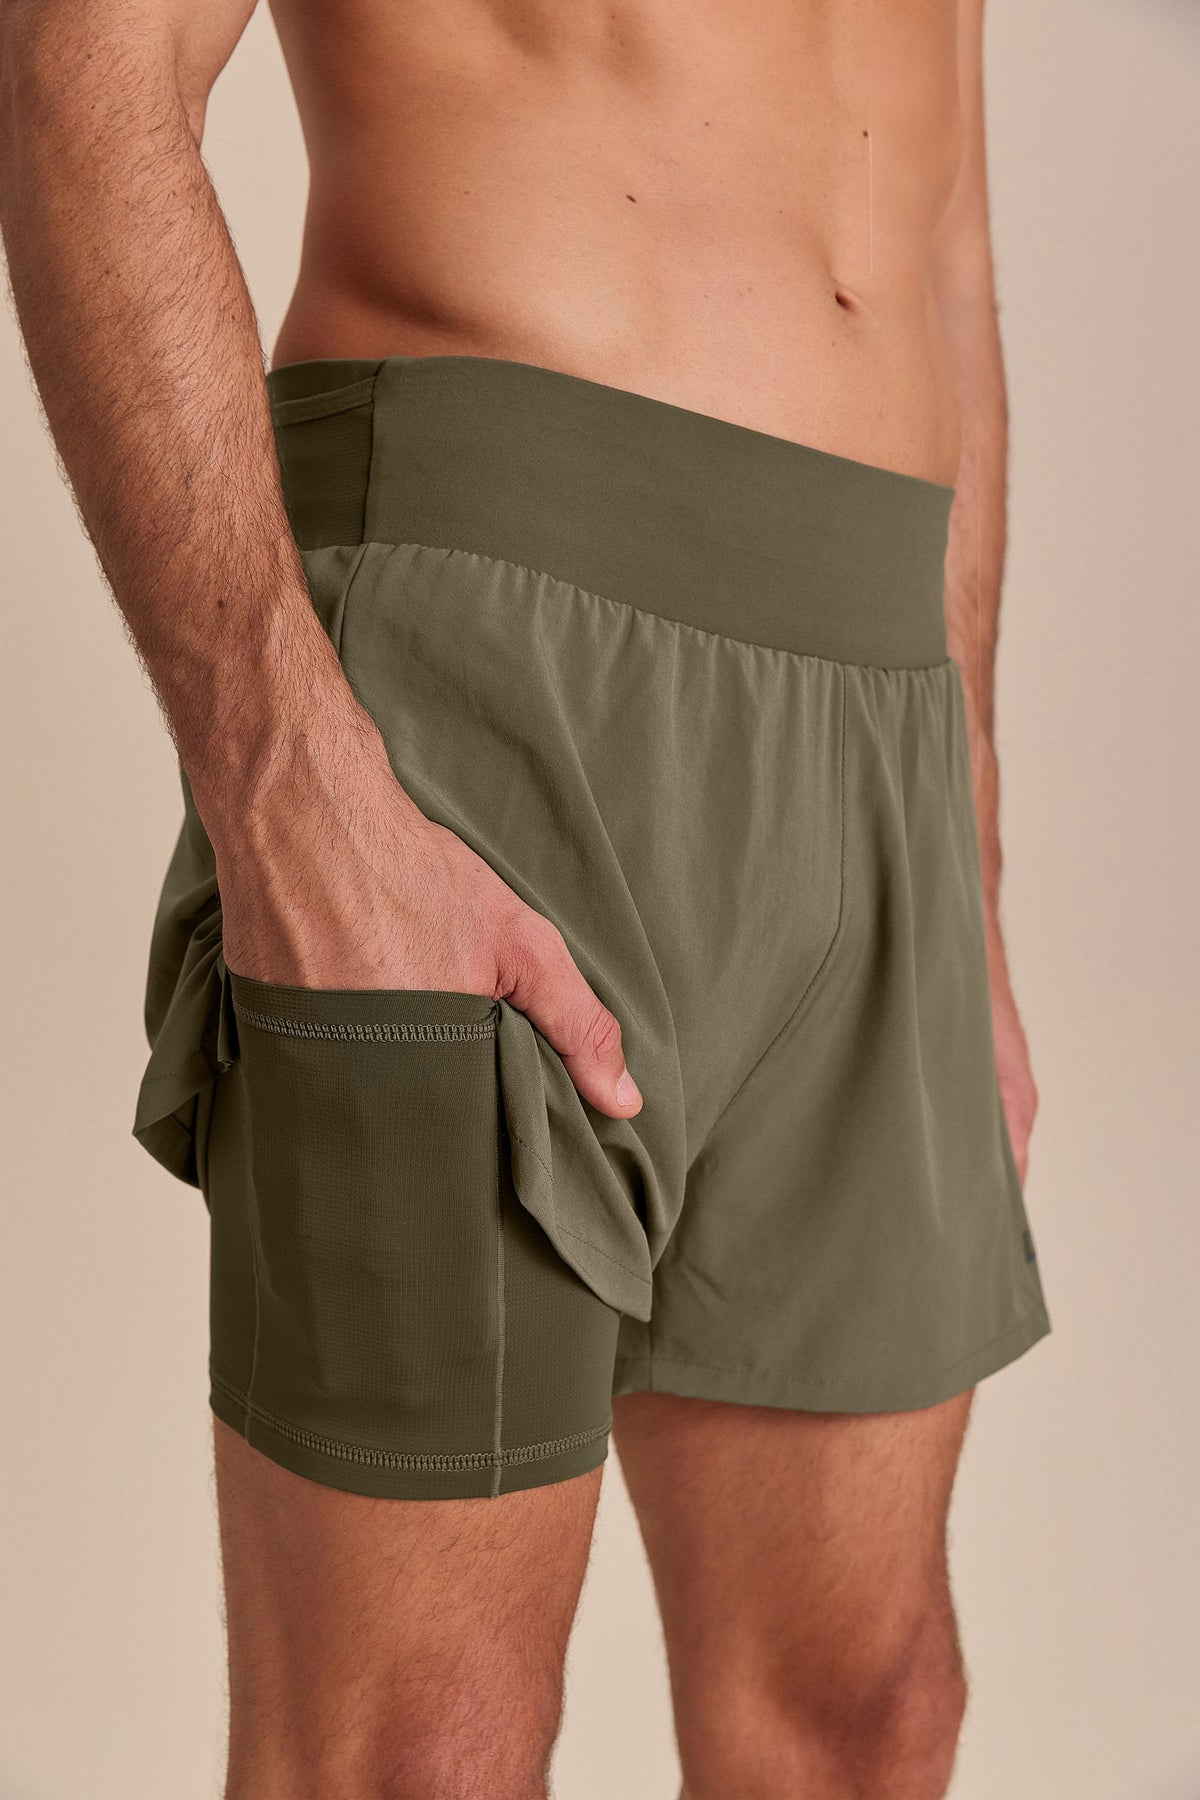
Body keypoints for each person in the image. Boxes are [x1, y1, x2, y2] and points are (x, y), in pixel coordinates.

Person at [0, 0, 1051, 1792]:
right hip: (493, 668)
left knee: (866, 1718)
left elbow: (940, 237)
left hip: (880, 715)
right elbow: (82, 70)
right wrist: (288, 786)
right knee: (418, 1752)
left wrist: (969, 854)